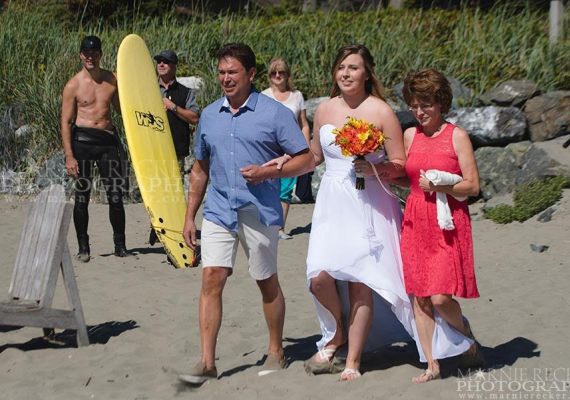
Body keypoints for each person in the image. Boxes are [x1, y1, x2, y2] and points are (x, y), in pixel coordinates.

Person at [179, 43, 314, 384]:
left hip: (260, 211)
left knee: (265, 281)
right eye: (222, 72)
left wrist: (270, 173)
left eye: (233, 72)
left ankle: (276, 350)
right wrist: (189, 216)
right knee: (212, 278)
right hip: (219, 210)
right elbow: (200, 170)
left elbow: (305, 160)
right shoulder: (209, 115)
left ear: (251, 74)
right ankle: (207, 361)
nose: (226, 78)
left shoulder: (275, 113)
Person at [296, 43, 416, 382]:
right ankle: (336, 333)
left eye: (354, 68)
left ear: (367, 73)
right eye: (341, 68)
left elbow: (401, 165)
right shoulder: (323, 110)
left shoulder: (380, 111)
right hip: (332, 202)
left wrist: (374, 166)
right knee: (319, 277)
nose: (346, 73)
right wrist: (281, 166)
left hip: (370, 202)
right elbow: (315, 156)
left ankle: (352, 360)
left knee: (360, 281)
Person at [400, 68, 483, 383]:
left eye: (426, 104)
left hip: (447, 222)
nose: (419, 112)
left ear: (441, 103)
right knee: (420, 295)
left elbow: (473, 186)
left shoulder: (457, 136)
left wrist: (442, 187)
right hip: (416, 218)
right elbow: (405, 177)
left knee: (439, 297)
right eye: (414, 104)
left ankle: (466, 335)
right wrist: (375, 168)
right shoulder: (410, 135)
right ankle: (432, 364)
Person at [61, 35, 129, 262]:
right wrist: (70, 156)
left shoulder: (113, 79)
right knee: (82, 197)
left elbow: (122, 111)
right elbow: (65, 122)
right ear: (81, 55)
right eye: (86, 53)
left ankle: (120, 245)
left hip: (108, 143)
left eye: (94, 53)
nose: (90, 57)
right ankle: (83, 247)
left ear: (100, 54)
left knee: (116, 195)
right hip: (83, 144)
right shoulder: (73, 85)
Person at [149, 50, 200, 247]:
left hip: (176, 149)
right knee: (155, 189)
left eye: (166, 62)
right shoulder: (148, 88)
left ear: (174, 66)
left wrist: (173, 107)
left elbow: (195, 117)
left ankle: (172, 228)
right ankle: (155, 227)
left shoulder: (185, 92)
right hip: (152, 148)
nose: (161, 64)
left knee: (173, 191)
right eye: (159, 61)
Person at [262, 57, 310, 240]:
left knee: (286, 188)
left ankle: (280, 228)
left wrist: (304, 148)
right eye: (274, 72)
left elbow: (303, 124)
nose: (277, 76)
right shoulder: (264, 95)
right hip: (268, 147)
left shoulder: (297, 96)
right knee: (267, 186)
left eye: (281, 72)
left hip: (290, 148)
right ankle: (266, 225)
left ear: (287, 74)